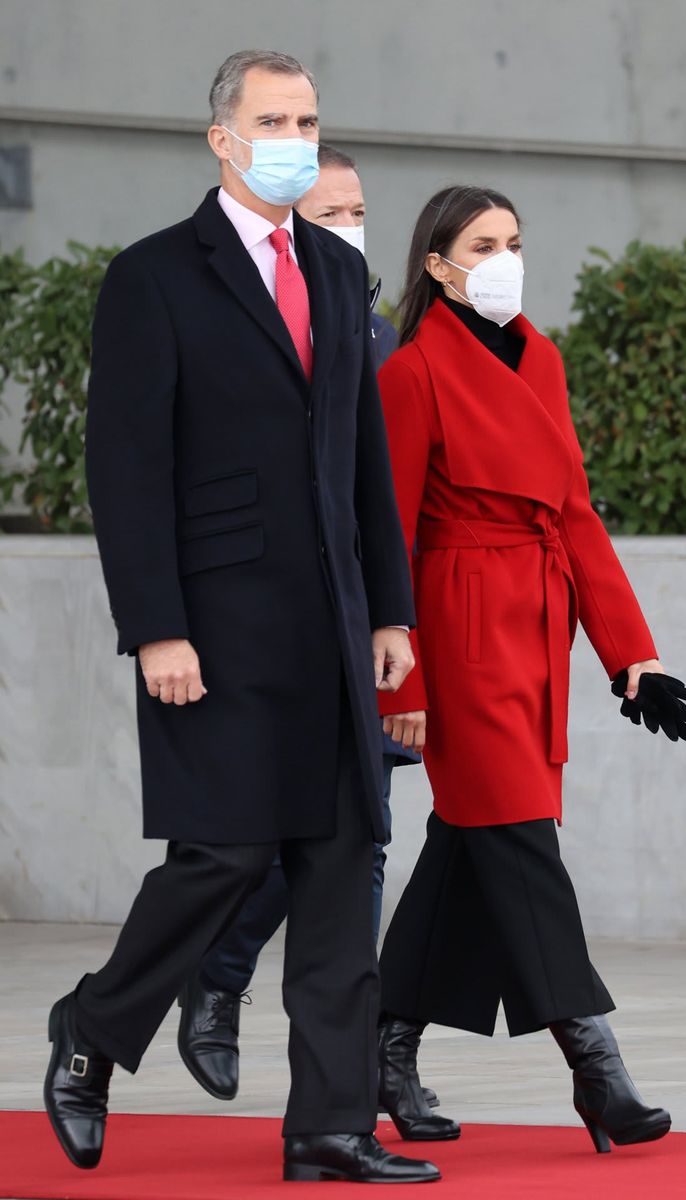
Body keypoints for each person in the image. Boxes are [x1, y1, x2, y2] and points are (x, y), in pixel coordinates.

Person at [43, 50, 440, 1186]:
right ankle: (93, 1030)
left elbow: (361, 457)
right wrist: (155, 627)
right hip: (212, 629)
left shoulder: (331, 266)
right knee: (220, 855)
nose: (296, 137)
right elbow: (123, 468)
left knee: (337, 863)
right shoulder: (155, 276)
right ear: (222, 137)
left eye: (308, 119)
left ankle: (328, 1126)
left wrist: (391, 611)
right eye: (274, 118)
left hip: (334, 622)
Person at [373, 184, 686, 1152]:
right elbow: (383, 538)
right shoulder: (411, 371)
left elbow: (575, 513)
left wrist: (631, 656)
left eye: (514, 240)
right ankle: (598, 1069)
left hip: (538, 630)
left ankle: (383, 1049)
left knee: (474, 849)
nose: (505, 256)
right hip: (458, 633)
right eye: (481, 243)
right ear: (436, 263)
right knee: (519, 842)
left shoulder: (541, 358)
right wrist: (406, 685)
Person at [177, 141, 430, 1111]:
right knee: (284, 839)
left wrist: (403, 649)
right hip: (268, 630)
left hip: (364, 630)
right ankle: (223, 977)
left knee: (353, 842)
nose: (346, 234)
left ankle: (353, 1071)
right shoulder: (237, 323)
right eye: (328, 217)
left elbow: (396, 510)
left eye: (357, 214)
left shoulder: (380, 342)